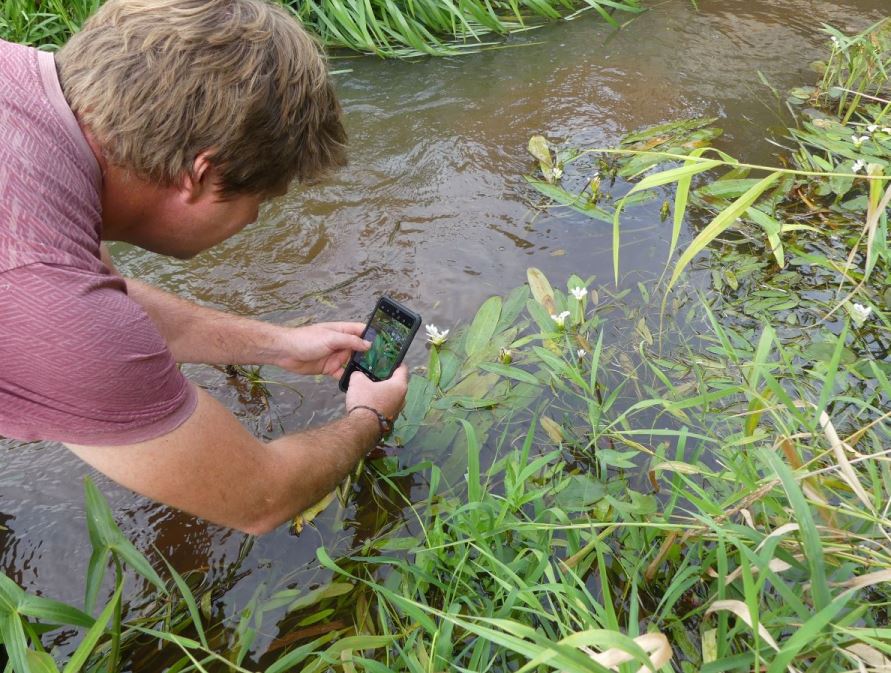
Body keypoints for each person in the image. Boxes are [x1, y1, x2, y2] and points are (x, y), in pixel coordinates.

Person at [0, 0, 408, 535]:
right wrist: (369, 416)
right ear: (201, 174)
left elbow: (99, 293)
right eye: (263, 197)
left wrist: (277, 345)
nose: (256, 217)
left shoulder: (21, 82)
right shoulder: (44, 289)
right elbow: (260, 495)